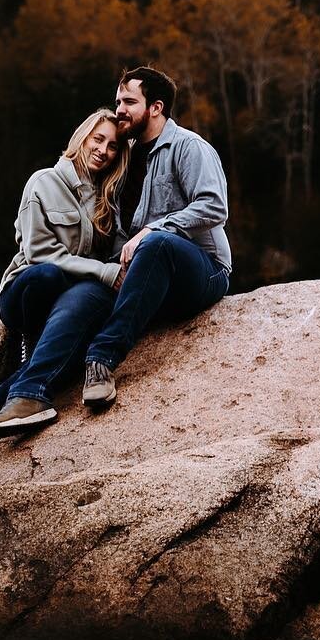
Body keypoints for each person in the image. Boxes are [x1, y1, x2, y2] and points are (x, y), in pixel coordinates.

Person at [0, 108, 127, 455]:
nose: (104, 150)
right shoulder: (44, 182)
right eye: (98, 139)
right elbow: (40, 254)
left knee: (45, 359)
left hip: (64, 304)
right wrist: (101, 272)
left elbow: (116, 254)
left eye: (113, 146)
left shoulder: (108, 200)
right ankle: (30, 340)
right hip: (25, 291)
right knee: (49, 275)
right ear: (81, 139)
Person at [78, 65, 231, 408]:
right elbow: (118, 232)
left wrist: (153, 229)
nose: (119, 109)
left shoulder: (188, 147)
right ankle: (23, 393)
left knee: (157, 243)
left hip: (204, 270)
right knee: (82, 293)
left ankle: (102, 359)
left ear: (156, 107)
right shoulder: (124, 157)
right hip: (146, 276)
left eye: (129, 101)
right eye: (118, 101)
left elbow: (214, 206)